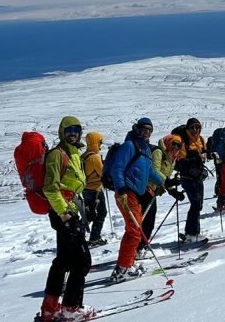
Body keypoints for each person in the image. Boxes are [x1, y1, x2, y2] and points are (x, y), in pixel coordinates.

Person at [37, 116, 94, 322]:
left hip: (69, 210)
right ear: (62, 132)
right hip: (63, 213)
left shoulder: (74, 154)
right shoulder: (57, 155)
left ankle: (49, 309)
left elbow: (74, 184)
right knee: (82, 261)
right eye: (68, 130)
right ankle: (71, 308)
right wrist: (65, 214)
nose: (73, 133)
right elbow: (51, 188)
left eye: (76, 130)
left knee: (62, 261)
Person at [107, 118, 165, 283]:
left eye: (149, 130)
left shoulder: (145, 149)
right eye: (144, 129)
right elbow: (116, 168)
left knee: (135, 229)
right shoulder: (129, 146)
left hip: (134, 194)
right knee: (134, 230)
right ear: (137, 129)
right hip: (126, 193)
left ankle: (125, 265)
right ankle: (123, 268)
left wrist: (161, 184)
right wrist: (121, 188)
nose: (146, 133)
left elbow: (149, 172)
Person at [136, 133, 185, 257]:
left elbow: (165, 177)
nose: (175, 147)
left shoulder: (171, 157)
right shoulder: (159, 152)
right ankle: (138, 247)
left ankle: (141, 246)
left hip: (153, 190)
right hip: (144, 189)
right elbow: (155, 171)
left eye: (178, 145)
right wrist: (168, 182)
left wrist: (173, 190)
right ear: (168, 142)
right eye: (173, 143)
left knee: (149, 220)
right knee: (146, 220)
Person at [176, 118, 209, 242]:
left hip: (198, 176)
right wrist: (197, 158)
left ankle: (192, 232)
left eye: (197, 127)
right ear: (188, 129)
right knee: (195, 204)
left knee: (198, 205)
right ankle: (191, 233)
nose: (195, 130)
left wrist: (209, 154)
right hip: (187, 177)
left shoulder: (201, 140)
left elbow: (204, 151)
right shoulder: (183, 142)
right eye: (192, 128)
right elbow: (180, 162)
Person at [82, 132, 108, 247]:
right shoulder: (94, 157)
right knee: (101, 213)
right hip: (95, 189)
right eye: (100, 141)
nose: (101, 144)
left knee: (89, 214)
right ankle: (95, 238)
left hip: (86, 188)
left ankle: (78, 236)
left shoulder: (84, 155)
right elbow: (103, 173)